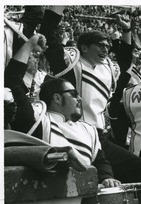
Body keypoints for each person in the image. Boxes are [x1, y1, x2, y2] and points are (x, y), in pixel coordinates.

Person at [40, 6, 141, 184]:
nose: (106, 49)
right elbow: (49, 35)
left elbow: (126, 61)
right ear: (84, 47)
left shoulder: (108, 68)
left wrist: (126, 30)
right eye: (101, 45)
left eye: (107, 46)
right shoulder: (72, 66)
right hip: (75, 133)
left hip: (100, 136)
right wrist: (58, 7)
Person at [4, 33, 120, 188]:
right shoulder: (38, 120)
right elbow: (12, 79)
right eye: (73, 94)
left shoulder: (89, 130)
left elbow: (100, 162)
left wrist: (107, 178)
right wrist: (30, 44)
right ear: (57, 98)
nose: (79, 99)